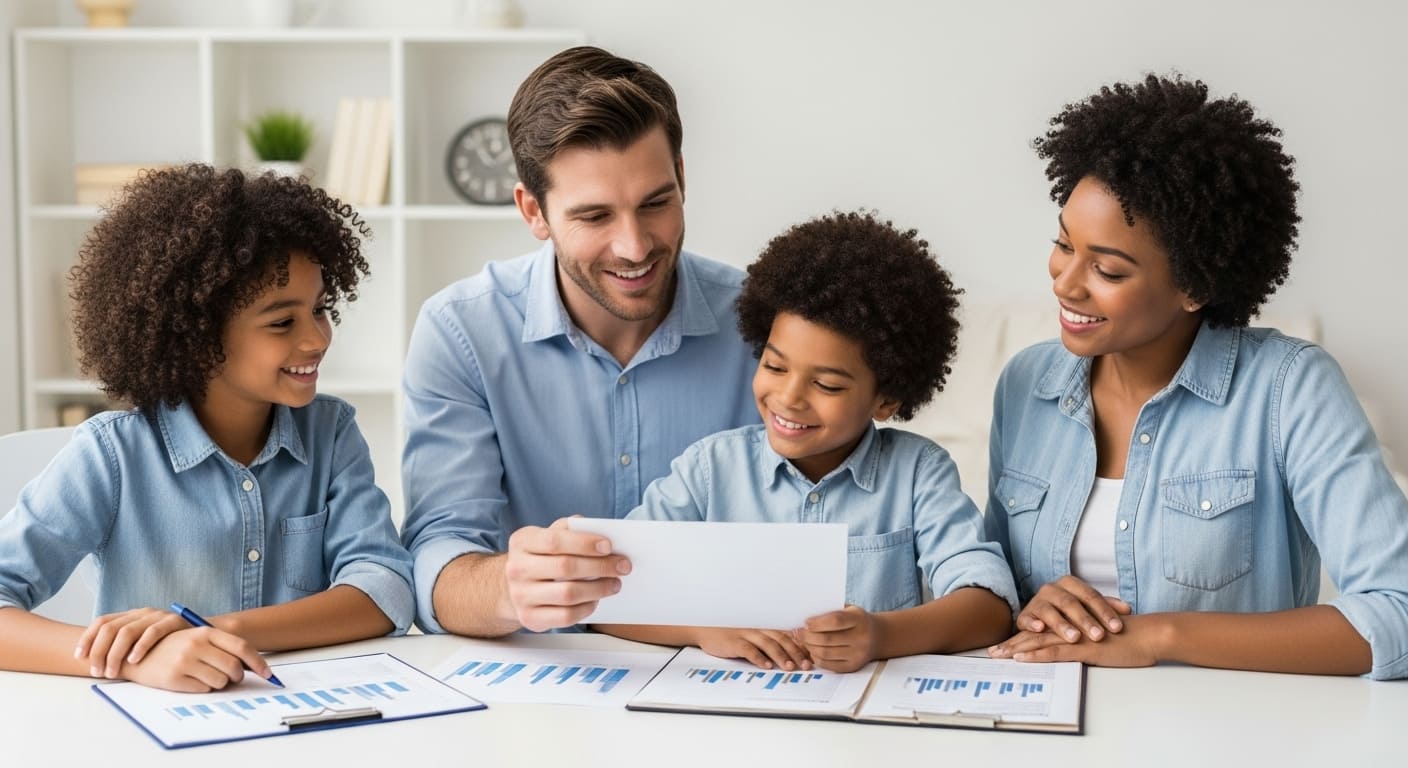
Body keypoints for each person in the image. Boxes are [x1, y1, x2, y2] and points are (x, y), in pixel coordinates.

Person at [983, 74, 1408, 679]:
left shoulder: (1290, 388)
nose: (1065, 282)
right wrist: (1020, 608)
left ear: (1195, 286)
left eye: (1106, 268)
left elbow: (1397, 613)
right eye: (1062, 243)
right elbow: (983, 582)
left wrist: (1157, 635)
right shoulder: (1026, 383)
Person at [0, 164, 415, 692]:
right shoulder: (111, 455)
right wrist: (133, 659)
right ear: (196, 335)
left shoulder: (330, 433)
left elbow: (385, 590)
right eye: (282, 322)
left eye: (319, 309)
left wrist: (210, 630)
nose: (316, 339)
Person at [400, 46, 758, 637]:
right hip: (540, 687)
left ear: (683, 178)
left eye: (656, 203)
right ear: (533, 211)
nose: (635, 246)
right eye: (594, 217)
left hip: (727, 670)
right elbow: (438, 562)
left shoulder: (760, 324)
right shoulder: (461, 331)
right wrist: (507, 587)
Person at [596, 211, 1017, 673]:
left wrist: (881, 635)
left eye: (829, 386)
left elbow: (989, 607)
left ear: (887, 398)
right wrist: (702, 629)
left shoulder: (919, 474)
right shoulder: (708, 470)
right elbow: (605, 599)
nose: (789, 398)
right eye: (775, 367)